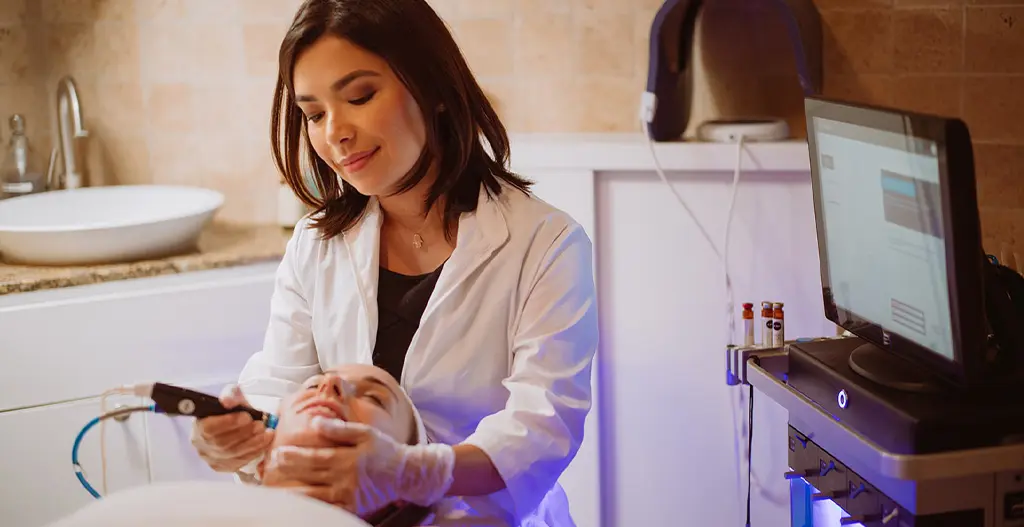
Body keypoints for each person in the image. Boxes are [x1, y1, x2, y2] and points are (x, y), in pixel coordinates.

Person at [189, 0, 599, 525]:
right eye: (313, 114)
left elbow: (542, 427)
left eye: (359, 96)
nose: (334, 132)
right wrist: (242, 437)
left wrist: (417, 471)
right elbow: (278, 387)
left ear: (435, 91)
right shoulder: (316, 243)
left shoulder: (546, 244)